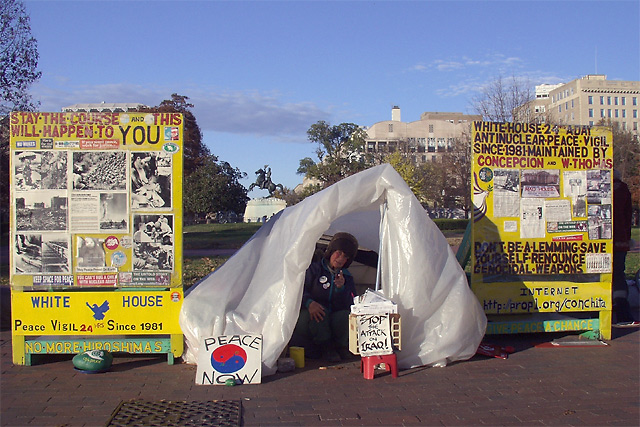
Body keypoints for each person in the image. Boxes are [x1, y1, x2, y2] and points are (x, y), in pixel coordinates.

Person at [296, 232, 359, 362]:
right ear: (331, 251)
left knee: (345, 316)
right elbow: (299, 290)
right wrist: (309, 303)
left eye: (345, 256)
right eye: (339, 253)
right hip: (313, 313)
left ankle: (342, 347)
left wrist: (341, 288)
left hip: (333, 315)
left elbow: (352, 303)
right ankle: (326, 347)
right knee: (319, 313)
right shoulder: (314, 269)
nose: (341, 258)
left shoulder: (347, 277)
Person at [612, 170, 637, 326]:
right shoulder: (624, 191)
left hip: (606, 239)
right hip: (620, 238)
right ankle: (623, 312)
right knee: (618, 274)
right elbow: (627, 217)